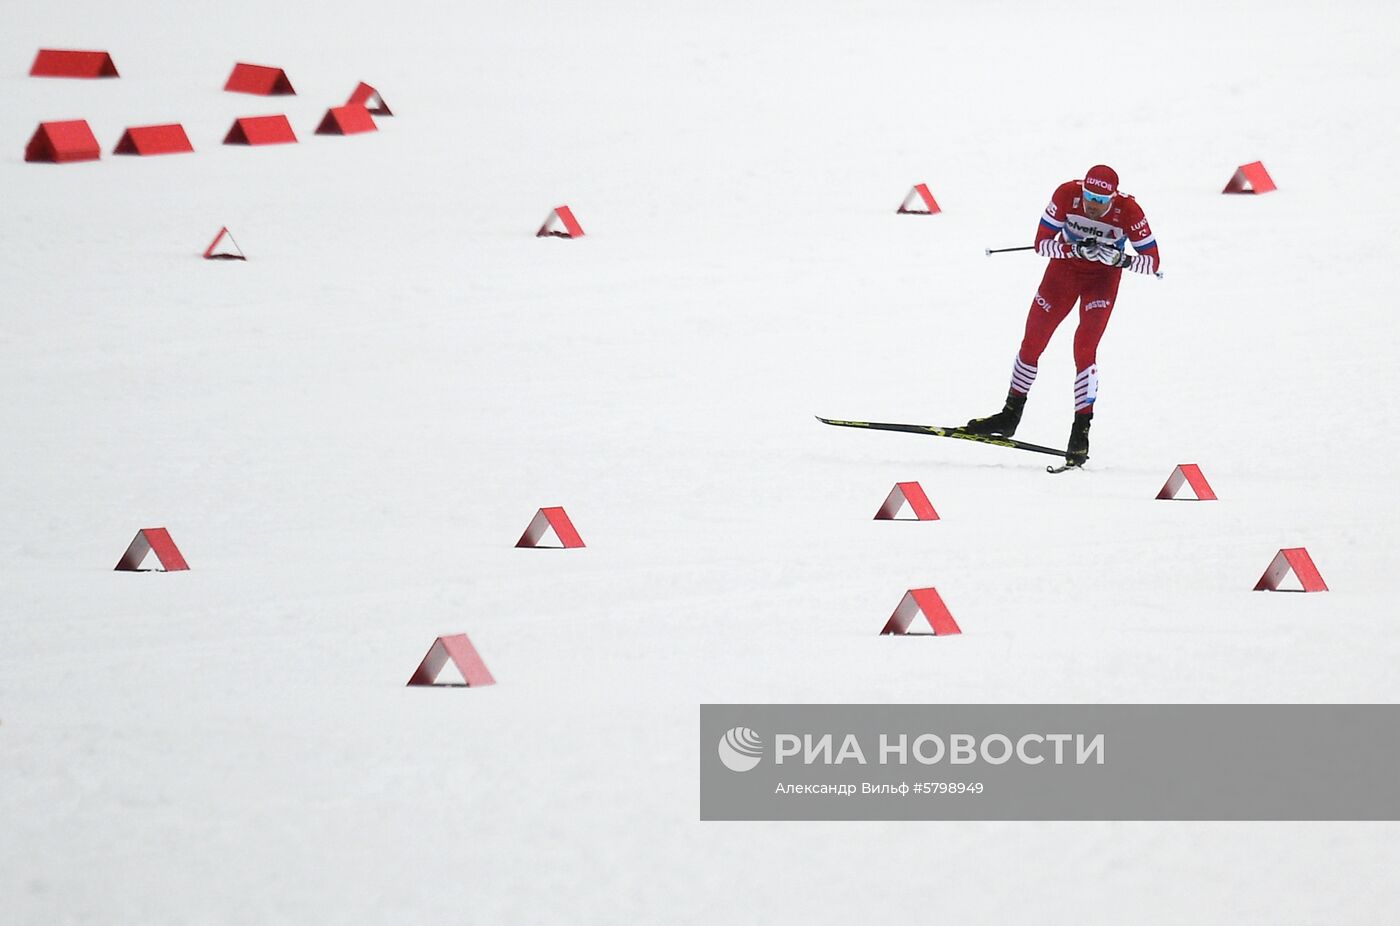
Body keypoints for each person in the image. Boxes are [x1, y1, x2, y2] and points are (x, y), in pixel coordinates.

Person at [963, 164, 1161, 467]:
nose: (1093, 205)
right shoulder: (1067, 194)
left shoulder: (1129, 210)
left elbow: (1153, 263)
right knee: (1032, 343)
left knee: (1084, 349)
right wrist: (1072, 250)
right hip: (1062, 275)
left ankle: (1080, 433)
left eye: (1101, 200)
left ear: (1113, 197)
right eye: (1089, 197)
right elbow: (1041, 245)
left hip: (1102, 282)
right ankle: (1009, 415)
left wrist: (1120, 258)